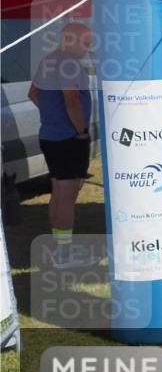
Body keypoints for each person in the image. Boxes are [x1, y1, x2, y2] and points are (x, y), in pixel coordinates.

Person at [28, 22, 96, 268]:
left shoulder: (48, 60)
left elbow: (32, 94)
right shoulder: (68, 63)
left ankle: (59, 249)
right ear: (69, 40)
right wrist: (80, 130)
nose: (88, 49)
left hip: (50, 135)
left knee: (58, 192)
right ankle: (64, 255)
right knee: (67, 195)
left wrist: (50, 116)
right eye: (85, 43)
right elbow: (71, 98)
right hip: (68, 139)